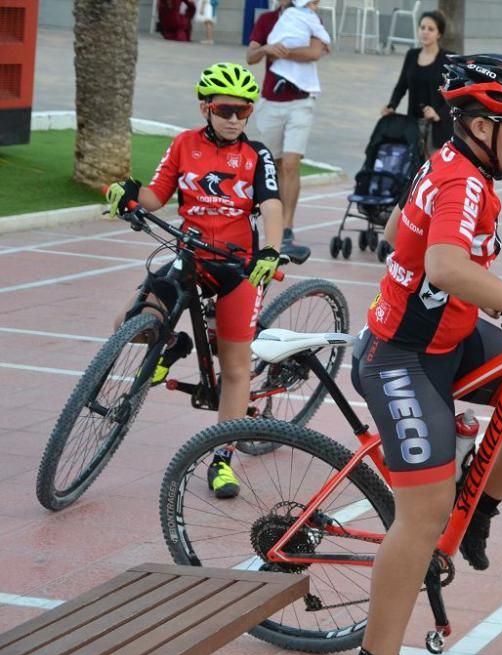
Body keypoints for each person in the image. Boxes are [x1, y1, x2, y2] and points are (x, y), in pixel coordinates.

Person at [348, 54, 502, 655]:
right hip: (400, 356)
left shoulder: (455, 167)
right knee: (423, 517)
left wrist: (491, 285)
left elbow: (407, 226)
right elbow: (446, 266)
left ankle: (478, 510)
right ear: (483, 127)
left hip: (447, 337)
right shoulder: (461, 179)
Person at [104, 63, 284, 499]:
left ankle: (221, 459)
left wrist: (271, 250)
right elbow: (156, 196)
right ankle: (171, 344)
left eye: (243, 111)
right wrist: (128, 193)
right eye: (225, 109)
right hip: (189, 255)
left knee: (235, 366)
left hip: (237, 266)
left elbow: (272, 204)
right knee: (127, 321)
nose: (234, 119)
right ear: (206, 107)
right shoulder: (184, 144)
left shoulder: (257, 155)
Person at [247, 0, 328, 262]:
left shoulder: (309, 17)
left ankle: (287, 228)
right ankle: (273, 223)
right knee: (274, 165)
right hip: (271, 101)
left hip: (301, 101)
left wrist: (282, 51)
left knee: (291, 164)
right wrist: (268, 48)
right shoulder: (266, 20)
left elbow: (315, 52)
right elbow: (250, 56)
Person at [382, 10, 453, 158]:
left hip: (437, 129)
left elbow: (455, 95)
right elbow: (401, 86)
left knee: (433, 172)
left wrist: (438, 114)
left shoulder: (448, 60)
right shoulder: (412, 55)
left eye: (431, 29)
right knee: (413, 170)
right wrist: (391, 105)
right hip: (413, 125)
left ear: (439, 34)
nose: (425, 32)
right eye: (422, 28)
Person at [267, 0, 331, 96]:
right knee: (298, 66)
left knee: (280, 66)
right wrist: (327, 41)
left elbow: (280, 27)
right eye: (315, 4)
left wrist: (273, 41)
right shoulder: (312, 17)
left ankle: (280, 79)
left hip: (282, 42)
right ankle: (297, 85)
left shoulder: (289, 12)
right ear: (305, 3)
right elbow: (319, 31)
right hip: (299, 44)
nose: (317, 7)